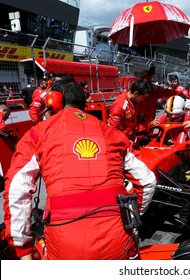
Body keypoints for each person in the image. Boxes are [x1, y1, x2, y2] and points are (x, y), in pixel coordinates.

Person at [3, 82, 156, 260]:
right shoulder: (113, 133)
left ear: (56, 102)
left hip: (66, 245)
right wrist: (131, 216)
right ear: (85, 104)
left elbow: (16, 191)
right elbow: (147, 182)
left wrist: (23, 249)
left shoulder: (37, 134)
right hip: (119, 240)